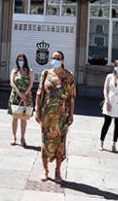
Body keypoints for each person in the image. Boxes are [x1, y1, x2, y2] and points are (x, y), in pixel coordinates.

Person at [35, 50, 76, 182]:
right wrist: (37, 110)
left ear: (63, 60)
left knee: (60, 143)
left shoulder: (69, 76)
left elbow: (72, 97)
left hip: (62, 116)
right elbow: (39, 93)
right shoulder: (46, 73)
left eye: (57, 58)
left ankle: (58, 171)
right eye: (53, 58)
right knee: (45, 141)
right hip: (47, 115)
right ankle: (45, 170)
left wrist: (71, 114)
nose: (55, 60)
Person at [8, 53, 34, 146]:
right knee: (15, 117)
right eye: (19, 60)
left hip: (26, 97)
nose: (21, 61)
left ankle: (22, 138)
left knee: (23, 118)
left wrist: (25, 94)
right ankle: (14, 137)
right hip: (15, 96)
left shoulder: (29, 71)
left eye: (22, 60)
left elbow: (31, 84)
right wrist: (19, 93)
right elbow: (12, 83)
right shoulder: (14, 71)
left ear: (25, 61)